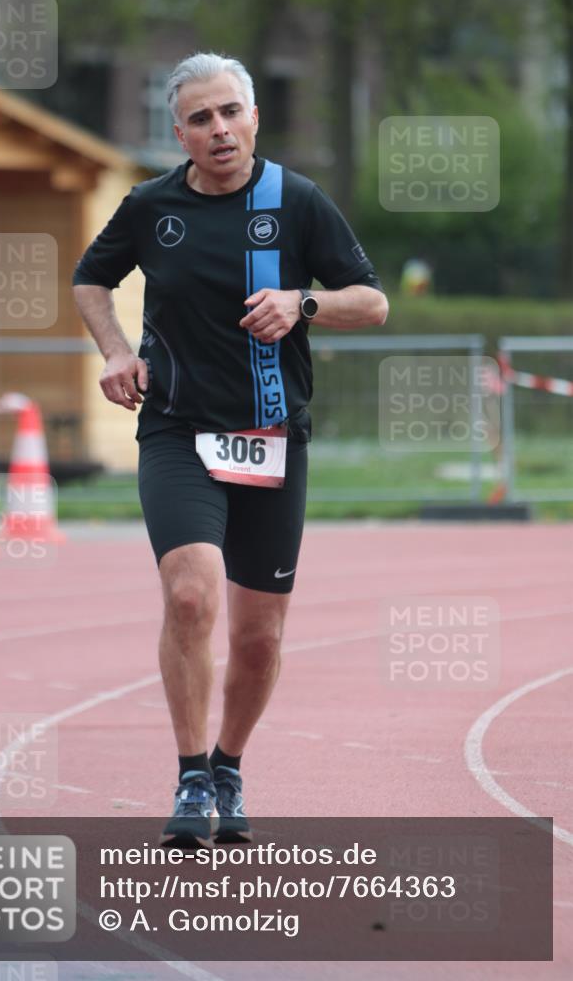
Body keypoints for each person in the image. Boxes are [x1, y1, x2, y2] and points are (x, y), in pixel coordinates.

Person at [73, 52, 388, 847]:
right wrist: (115, 351)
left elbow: (373, 302)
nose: (218, 129)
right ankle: (187, 778)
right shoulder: (148, 207)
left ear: (253, 118)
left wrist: (301, 300)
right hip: (177, 428)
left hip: (272, 437)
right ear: (177, 131)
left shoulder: (296, 202)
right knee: (189, 597)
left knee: (259, 638)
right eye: (199, 118)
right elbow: (88, 279)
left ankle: (227, 764)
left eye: (230, 113)